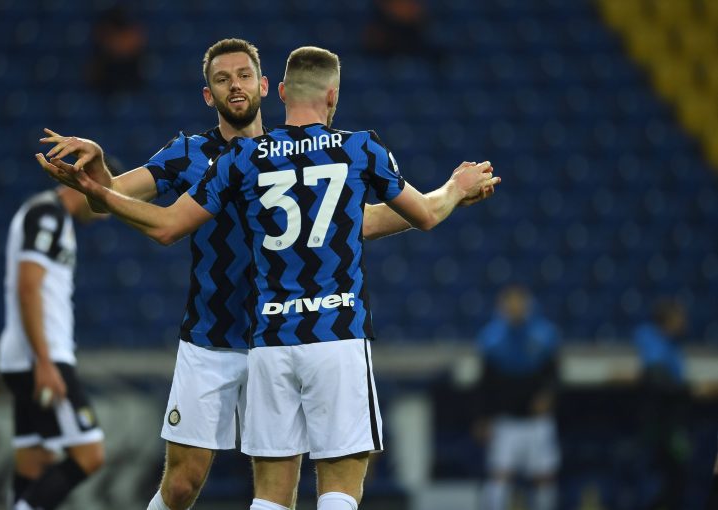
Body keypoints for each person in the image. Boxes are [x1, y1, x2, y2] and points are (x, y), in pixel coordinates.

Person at [38, 39, 496, 510]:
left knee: (279, 488)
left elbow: (353, 222)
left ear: (265, 86)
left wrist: (445, 200)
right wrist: (99, 174)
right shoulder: (190, 154)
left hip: (271, 334)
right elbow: (109, 199)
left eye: (242, 76)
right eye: (222, 79)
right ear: (208, 95)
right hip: (215, 335)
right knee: (182, 485)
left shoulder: (272, 155)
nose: (234, 86)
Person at [0, 184, 108, 510]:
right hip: (41, 358)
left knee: (34, 461)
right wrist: (44, 362)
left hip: (26, 357)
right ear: (91, 182)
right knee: (90, 454)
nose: (106, 215)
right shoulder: (48, 213)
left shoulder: (50, 213)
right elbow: (28, 286)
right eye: (107, 199)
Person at [474, 285, 561, 510]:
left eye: (519, 303)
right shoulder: (491, 340)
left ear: (528, 305)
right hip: (506, 420)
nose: (515, 308)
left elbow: (555, 375)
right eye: (510, 303)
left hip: (537, 421)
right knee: (499, 476)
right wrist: (483, 417)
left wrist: (548, 396)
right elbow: (485, 384)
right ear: (502, 307)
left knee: (544, 477)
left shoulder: (544, 336)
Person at [633, 298, 691, 510]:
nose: (684, 321)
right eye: (680, 317)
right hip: (660, 424)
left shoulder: (672, 344)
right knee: (660, 480)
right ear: (668, 319)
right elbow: (656, 379)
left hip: (671, 421)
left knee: (676, 479)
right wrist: (690, 390)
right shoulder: (652, 341)